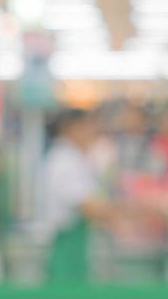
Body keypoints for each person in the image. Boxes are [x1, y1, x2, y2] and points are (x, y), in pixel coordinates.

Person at [35, 108, 113, 282]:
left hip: (76, 244)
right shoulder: (64, 160)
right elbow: (89, 206)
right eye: (89, 126)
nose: (94, 132)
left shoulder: (77, 158)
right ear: (71, 128)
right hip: (66, 247)